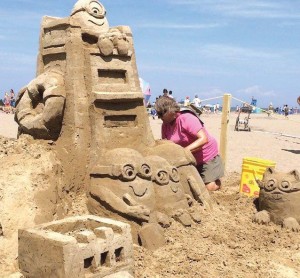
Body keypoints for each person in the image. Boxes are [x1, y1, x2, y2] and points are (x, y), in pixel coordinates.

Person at [155, 96, 224, 191]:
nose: (159, 117)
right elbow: (166, 144)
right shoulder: (165, 125)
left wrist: (183, 151)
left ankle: (217, 181)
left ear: (170, 111)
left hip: (207, 156)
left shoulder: (186, 118)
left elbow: (204, 139)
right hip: (189, 158)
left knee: (208, 188)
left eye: (161, 114)